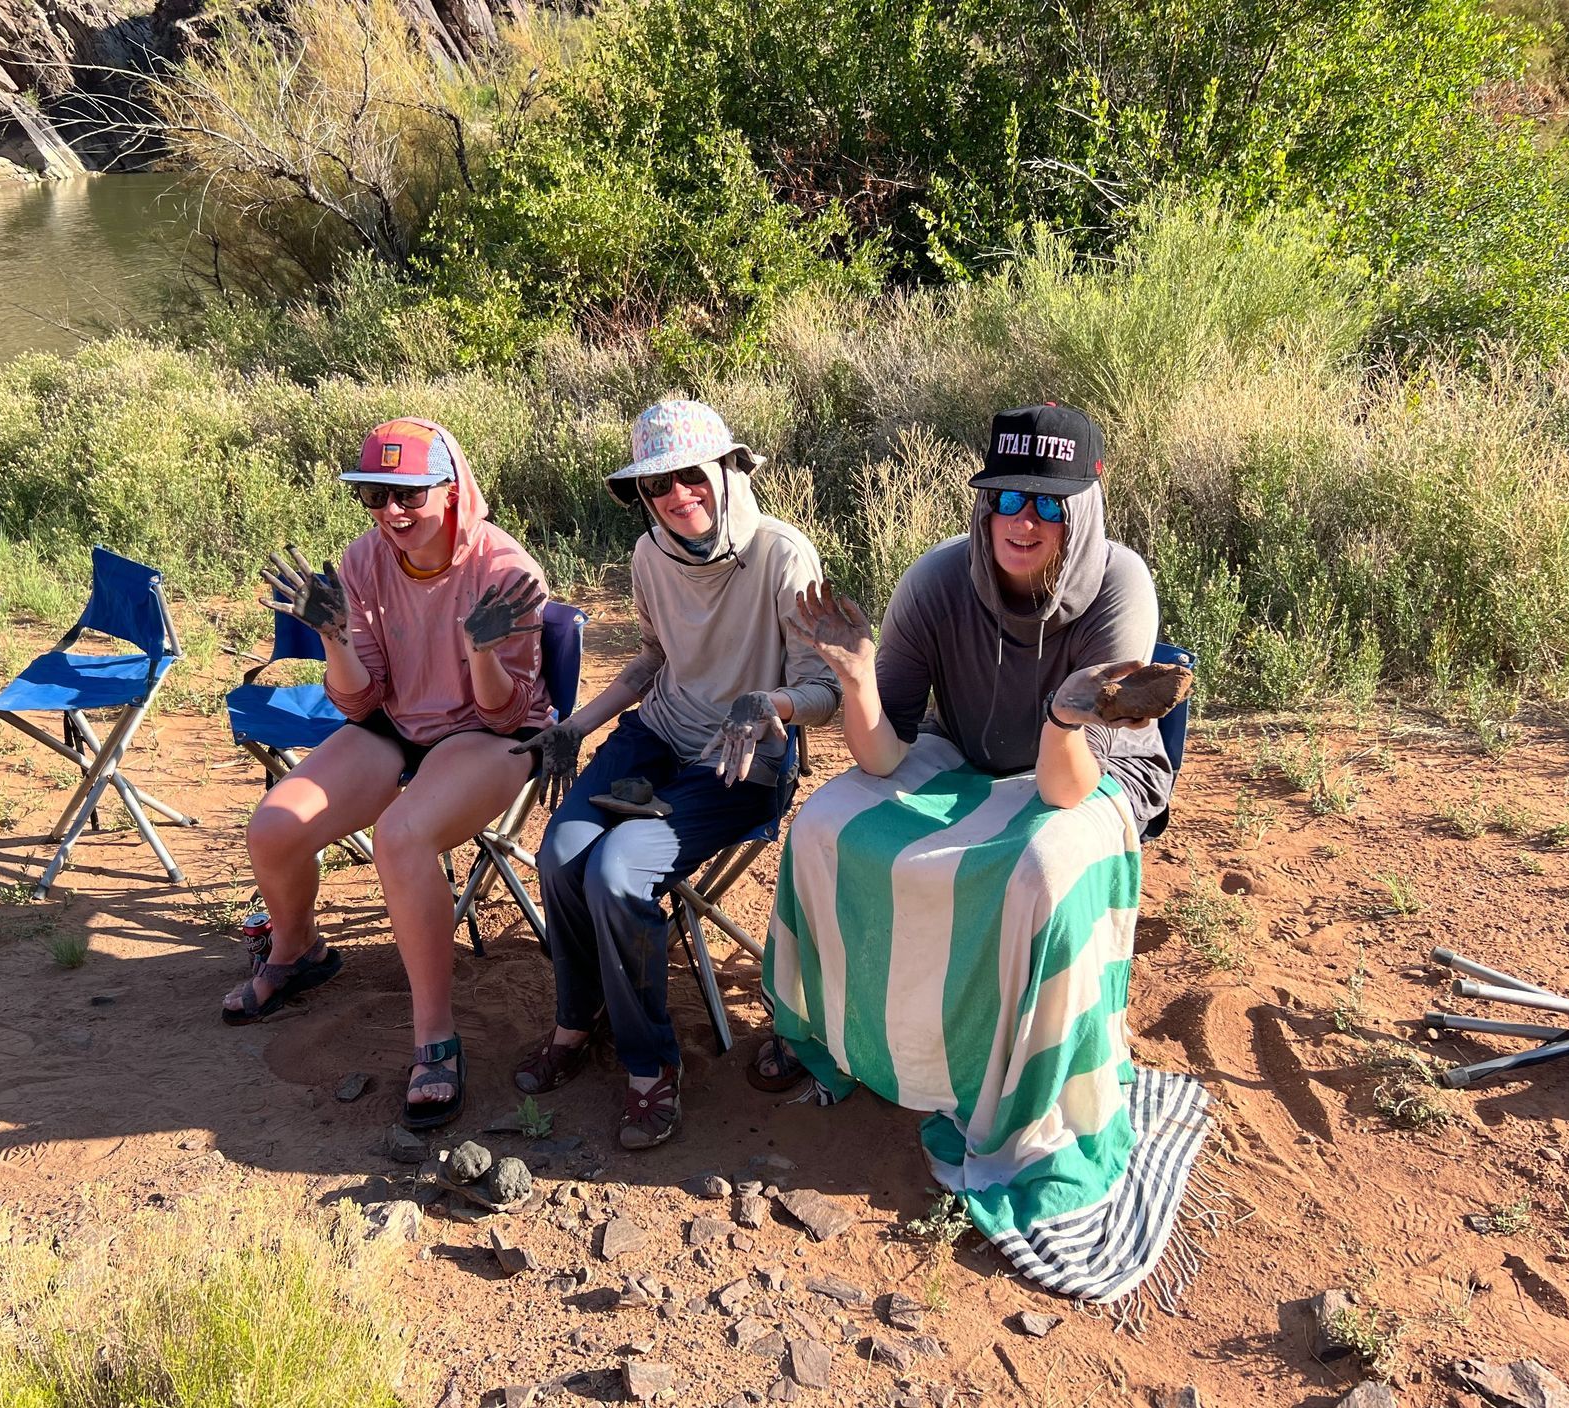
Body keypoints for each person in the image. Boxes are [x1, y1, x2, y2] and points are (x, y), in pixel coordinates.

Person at [760, 404, 1212, 1308]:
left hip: (1089, 772)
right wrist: (854, 681)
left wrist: (1065, 715)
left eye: (1046, 503)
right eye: (1006, 495)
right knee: (821, 826)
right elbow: (883, 755)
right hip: (964, 755)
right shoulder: (936, 580)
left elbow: (1064, 792)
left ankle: (1024, 1086)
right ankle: (836, 1035)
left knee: (1043, 872)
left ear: (1083, 505)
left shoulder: (1119, 586)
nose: (1022, 519)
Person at [511, 399, 840, 1150]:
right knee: (561, 854)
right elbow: (657, 660)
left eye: (690, 476)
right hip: (660, 732)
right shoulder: (650, 554)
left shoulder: (783, 556)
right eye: (656, 486)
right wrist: (576, 726)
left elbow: (824, 692)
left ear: (727, 472)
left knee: (619, 874)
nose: (675, 496)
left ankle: (650, 1063)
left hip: (742, 756)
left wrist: (770, 702)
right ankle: (578, 1015)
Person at [222, 417, 550, 1136]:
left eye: (407, 494)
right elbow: (360, 700)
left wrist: (484, 652)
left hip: (490, 733)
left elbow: (506, 715)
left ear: (453, 489)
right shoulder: (365, 560)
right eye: (373, 494)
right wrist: (333, 637)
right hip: (397, 720)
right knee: (274, 827)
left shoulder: (505, 571)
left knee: (401, 836)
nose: (390, 512)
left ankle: (434, 1034)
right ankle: (297, 949)